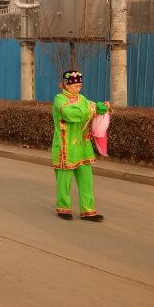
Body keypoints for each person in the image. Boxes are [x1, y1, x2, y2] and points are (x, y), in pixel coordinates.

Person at [51, 70, 109, 222]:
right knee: (65, 181)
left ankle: (88, 210)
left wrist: (101, 107)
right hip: (66, 147)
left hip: (83, 146)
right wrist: (91, 109)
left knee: (87, 179)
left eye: (80, 86)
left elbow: (94, 107)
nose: (78, 89)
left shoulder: (82, 98)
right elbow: (69, 113)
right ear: (66, 85)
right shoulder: (59, 99)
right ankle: (64, 208)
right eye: (75, 86)